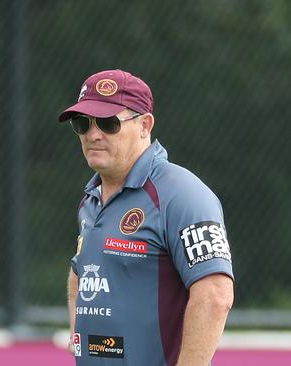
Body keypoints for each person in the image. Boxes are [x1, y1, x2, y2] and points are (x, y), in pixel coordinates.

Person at [58, 69, 233, 365]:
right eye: (82, 123)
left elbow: (215, 295)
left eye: (108, 123)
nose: (93, 134)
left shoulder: (182, 194)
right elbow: (81, 271)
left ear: (144, 125)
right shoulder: (91, 197)